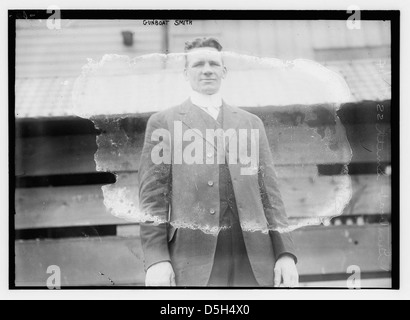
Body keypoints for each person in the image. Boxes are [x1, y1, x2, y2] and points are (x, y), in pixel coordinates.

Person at [138, 37, 299, 287]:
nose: (207, 70)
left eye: (214, 63)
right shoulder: (164, 123)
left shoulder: (250, 123)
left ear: (224, 71)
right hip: (194, 258)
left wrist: (285, 254)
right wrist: (157, 260)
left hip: (255, 257)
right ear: (185, 73)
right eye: (198, 64)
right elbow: (152, 200)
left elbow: (271, 195)